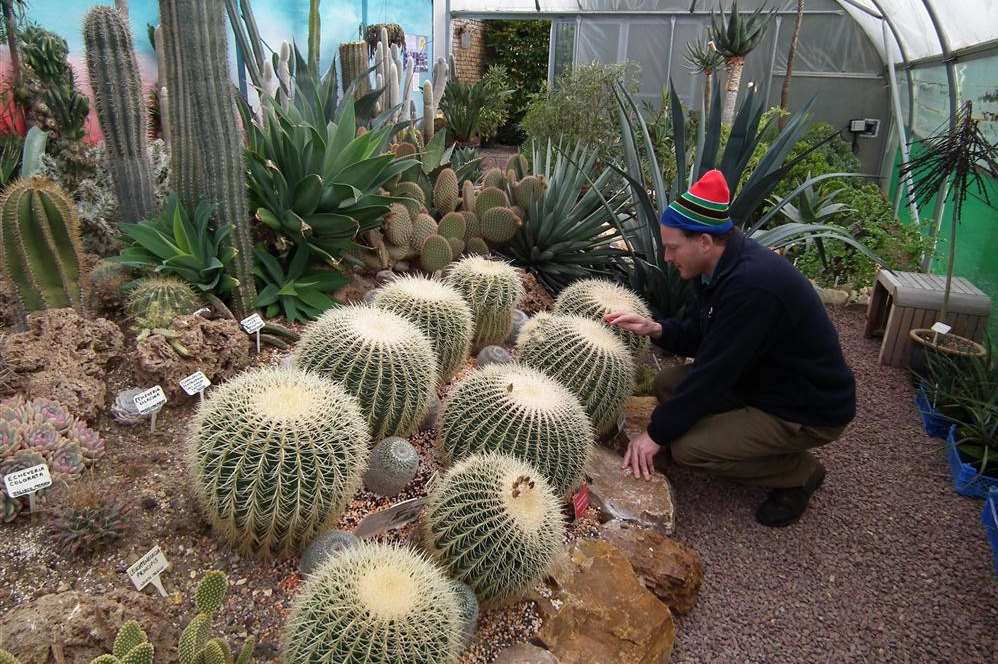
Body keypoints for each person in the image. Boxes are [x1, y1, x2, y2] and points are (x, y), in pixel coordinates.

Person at [606, 169, 855, 527]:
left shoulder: (752, 287)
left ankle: (799, 473)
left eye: (673, 247)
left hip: (802, 408)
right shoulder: (719, 269)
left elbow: (713, 374)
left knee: (689, 450)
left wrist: (656, 435)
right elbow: (702, 333)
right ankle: (731, 435)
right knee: (667, 385)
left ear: (704, 241)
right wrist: (656, 328)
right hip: (760, 379)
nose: (666, 257)